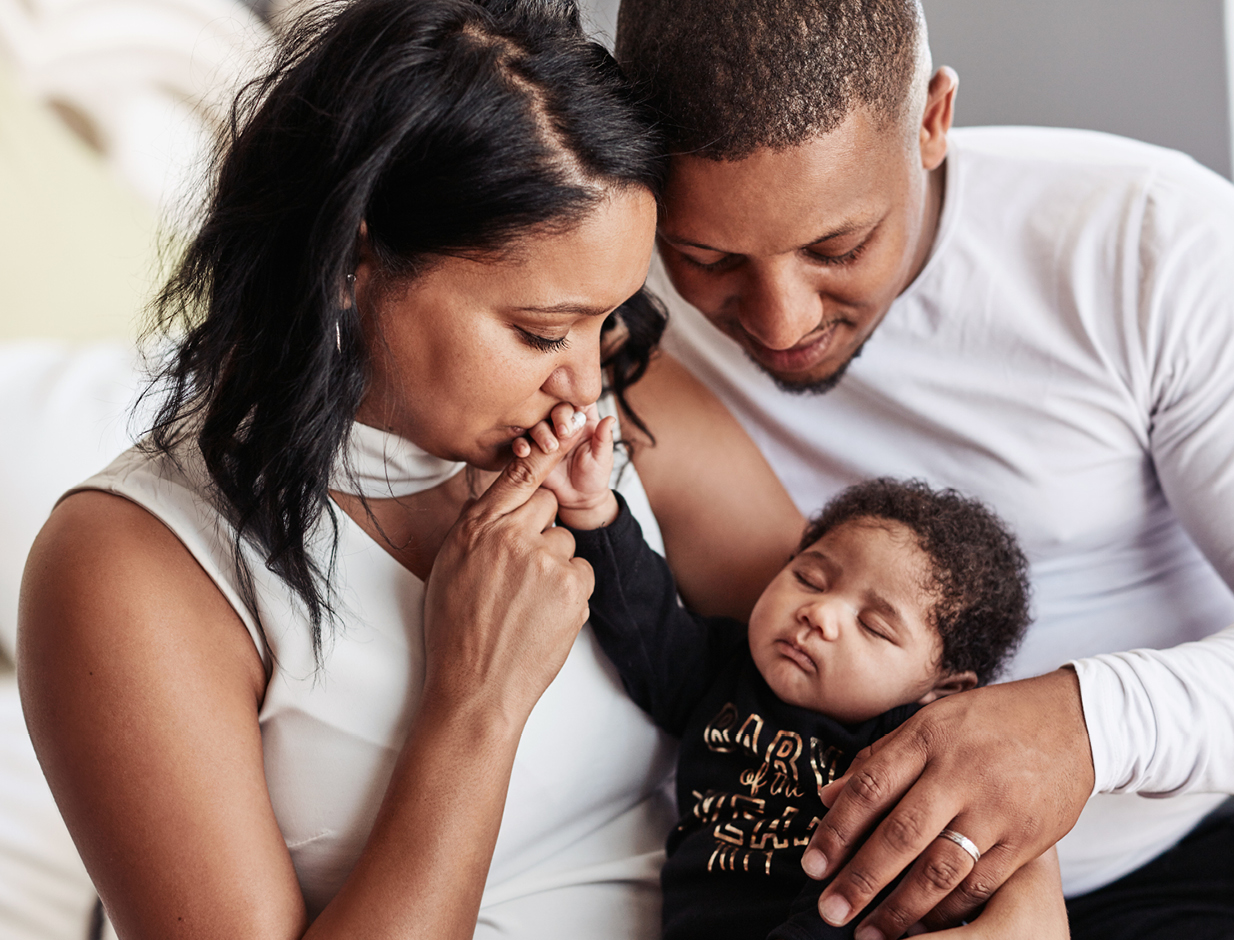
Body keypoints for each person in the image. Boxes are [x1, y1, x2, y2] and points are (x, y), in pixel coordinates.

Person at [612, 0, 1234, 937]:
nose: (780, 321)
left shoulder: (1147, 240)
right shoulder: (622, 314)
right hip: (1094, 902)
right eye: (708, 258)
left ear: (932, 120)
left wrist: (1084, 726)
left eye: (838, 248)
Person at [17, 2, 806, 937]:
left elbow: (868, 667)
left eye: (609, 320)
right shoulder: (134, 567)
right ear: (350, 262)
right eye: (541, 332)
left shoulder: (621, 408)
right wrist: (476, 699)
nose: (585, 383)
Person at [543, 406, 1054, 939]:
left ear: (943, 688)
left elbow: (858, 899)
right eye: (809, 578)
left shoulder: (904, 754)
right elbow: (646, 620)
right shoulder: (723, 671)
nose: (819, 614)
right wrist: (592, 510)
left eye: (874, 626)